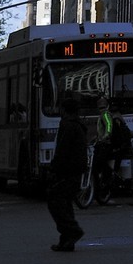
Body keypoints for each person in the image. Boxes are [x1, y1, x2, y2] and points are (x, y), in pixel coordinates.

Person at [47, 94, 88, 252]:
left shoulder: (68, 125)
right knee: (65, 203)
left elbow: (62, 150)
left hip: (67, 171)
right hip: (76, 170)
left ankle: (72, 231)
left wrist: (54, 168)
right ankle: (66, 240)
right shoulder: (78, 125)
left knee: (55, 201)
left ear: (64, 110)